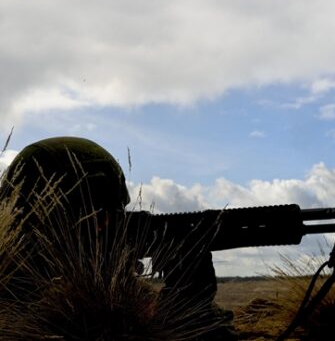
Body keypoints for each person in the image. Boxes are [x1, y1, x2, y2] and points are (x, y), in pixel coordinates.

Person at [0, 136, 236, 340]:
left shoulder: (108, 284)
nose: (105, 225)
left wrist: (189, 292)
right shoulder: (22, 292)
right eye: (93, 217)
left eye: (111, 215)